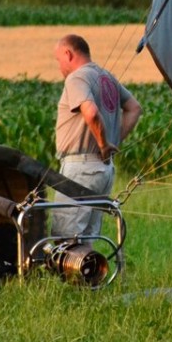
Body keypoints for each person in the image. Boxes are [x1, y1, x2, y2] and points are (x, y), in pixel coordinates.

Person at [50, 34, 141, 240]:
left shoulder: (77, 77)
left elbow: (90, 112)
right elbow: (134, 108)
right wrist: (113, 142)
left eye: (58, 59)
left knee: (67, 238)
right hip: (103, 170)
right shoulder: (106, 77)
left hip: (81, 168)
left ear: (68, 54)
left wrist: (104, 143)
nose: (59, 66)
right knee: (87, 236)